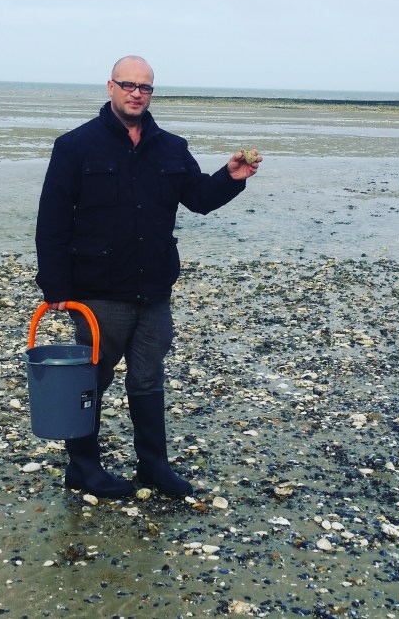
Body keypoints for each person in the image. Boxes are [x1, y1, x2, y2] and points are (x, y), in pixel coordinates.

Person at [34, 55, 261, 498]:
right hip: (99, 291)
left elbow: (199, 198)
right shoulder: (75, 146)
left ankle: (154, 466)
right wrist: (55, 285)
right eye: (128, 85)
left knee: (147, 378)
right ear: (111, 87)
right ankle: (83, 467)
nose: (137, 93)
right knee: (90, 380)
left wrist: (231, 177)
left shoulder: (171, 147)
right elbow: (52, 219)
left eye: (145, 87)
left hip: (155, 288)